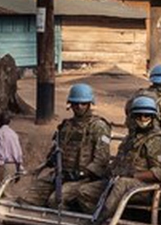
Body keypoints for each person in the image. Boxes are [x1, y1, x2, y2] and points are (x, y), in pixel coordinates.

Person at [22, 83, 112, 212]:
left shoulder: (99, 127)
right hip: (61, 175)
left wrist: (83, 173)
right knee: (30, 196)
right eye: (75, 104)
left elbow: (102, 159)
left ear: (89, 104)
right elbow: (55, 151)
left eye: (83, 104)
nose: (79, 107)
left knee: (56, 201)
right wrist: (47, 164)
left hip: (84, 179)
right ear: (70, 105)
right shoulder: (66, 126)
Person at [0, 110, 24, 188]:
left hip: (3, 166)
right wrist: (19, 168)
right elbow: (19, 153)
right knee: (9, 195)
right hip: (13, 167)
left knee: (1, 195)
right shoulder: (14, 134)